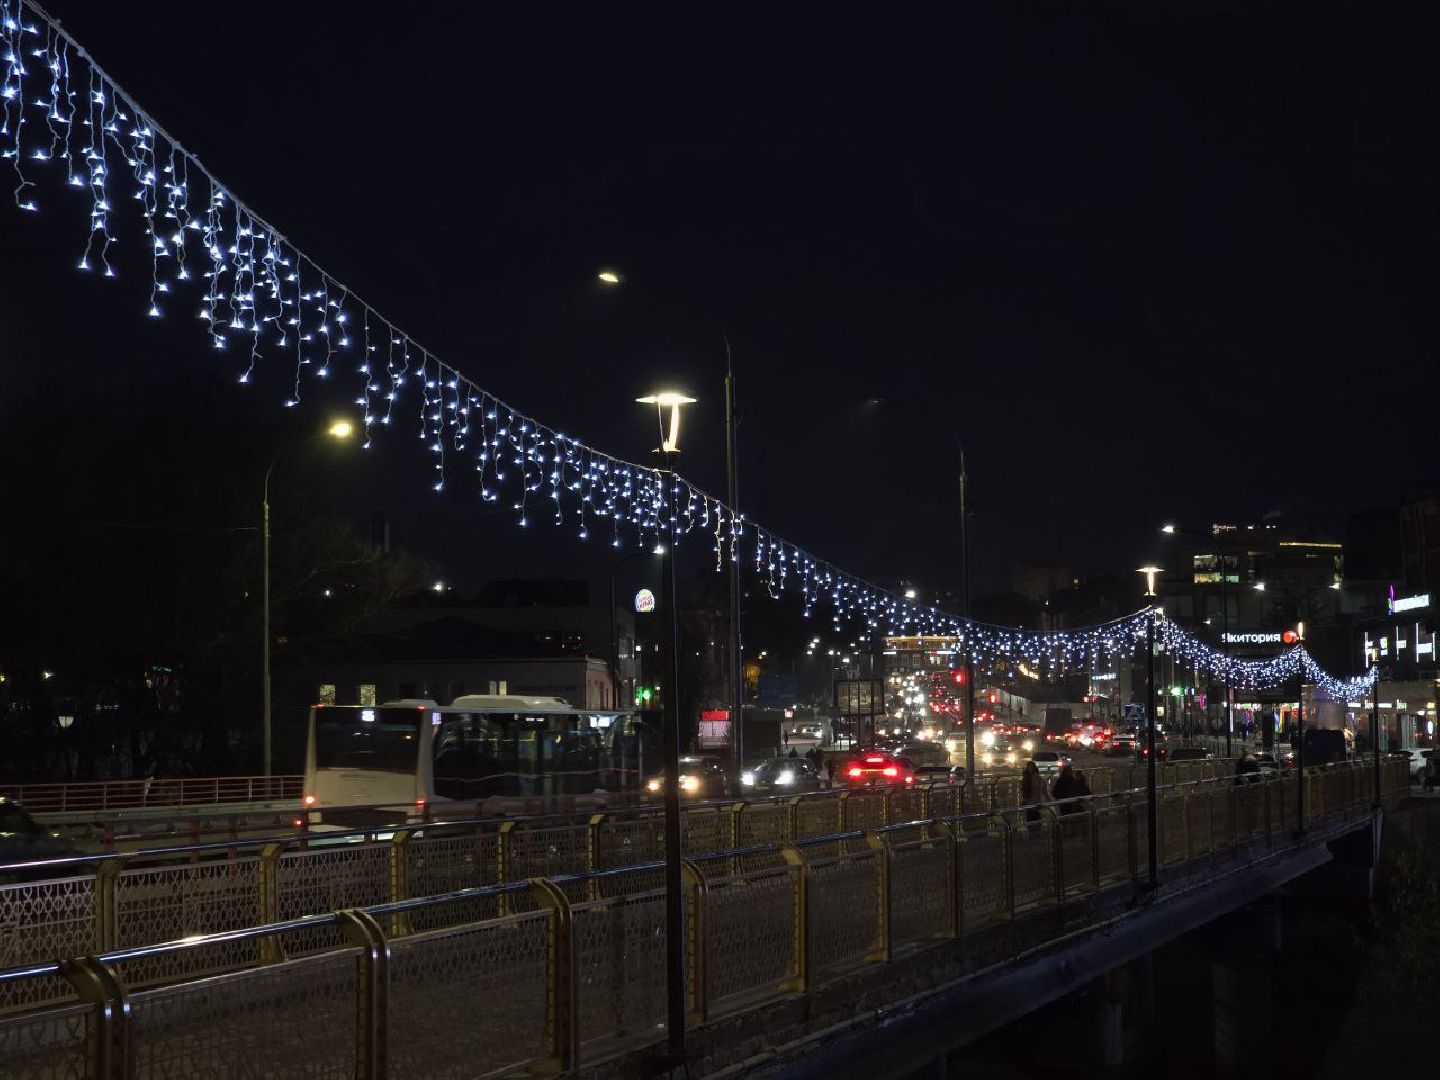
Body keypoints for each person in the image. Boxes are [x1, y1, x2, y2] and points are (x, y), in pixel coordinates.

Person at [1020, 761, 1050, 832]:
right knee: (1036, 822)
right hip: (1035, 804)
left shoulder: (1027, 780)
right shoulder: (1040, 780)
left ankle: (1033, 836)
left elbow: (1023, 792)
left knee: (1032, 823)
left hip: (1031, 804)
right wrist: (1050, 802)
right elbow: (1045, 793)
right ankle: (1035, 835)